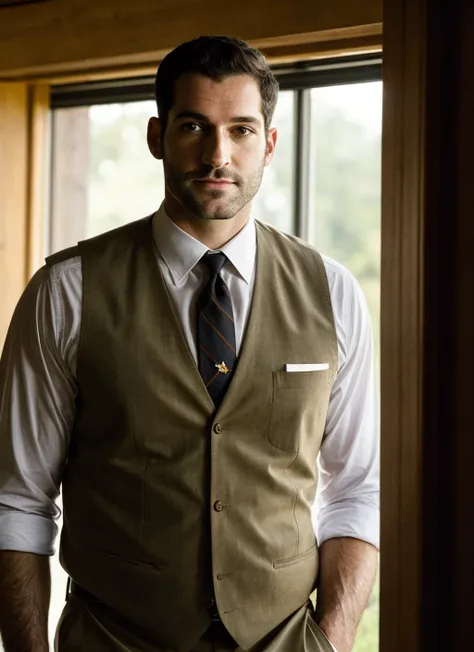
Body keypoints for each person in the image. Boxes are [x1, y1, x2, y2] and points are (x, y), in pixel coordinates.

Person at [0, 35, 379, 652]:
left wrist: (332, 641)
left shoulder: (334, 293)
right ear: (157, 136)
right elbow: (17, 499)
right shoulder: (65, 294)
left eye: (242, 130)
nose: (218, 154)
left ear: (270, 143)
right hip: (111, 639)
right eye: (194, 127)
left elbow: (359, 489)